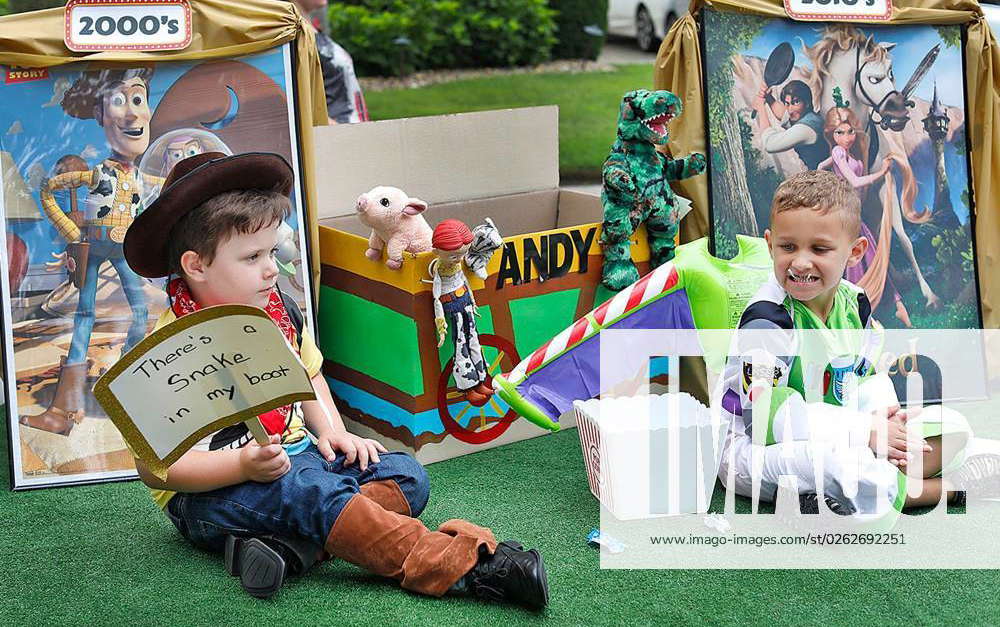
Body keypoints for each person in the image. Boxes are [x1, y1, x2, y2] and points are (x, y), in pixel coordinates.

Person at [121, 151, 548, 607]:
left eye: (271, 251)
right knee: (313, 492)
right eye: (252, 257)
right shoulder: (168, 352)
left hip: (298, 457)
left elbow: (310, 377)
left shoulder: (277, 310)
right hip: (211, 495)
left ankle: (294, 549)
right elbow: (155, 469)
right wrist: (241, 466)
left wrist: (335, 432)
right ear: (196, 265)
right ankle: (460, 566)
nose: (270, 268)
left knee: (406, 474)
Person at [716, 170, 996, 523]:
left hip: (839, 425)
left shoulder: (855, 303)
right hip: (758, 447)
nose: (800, 262)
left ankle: (852, 493)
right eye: (788, 247)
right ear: (770, 244)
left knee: (953, 427)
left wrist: (884, 418)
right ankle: (945, 488)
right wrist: (865, 432)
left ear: (855, 251)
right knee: (835, 464)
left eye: (819, 248)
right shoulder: (768, 320)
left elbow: (864, 380)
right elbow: (769, 418)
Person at [23, 68, 155, 435]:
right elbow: (49, 190)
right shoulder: (97, 174)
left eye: (138, 98)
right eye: (118, 100)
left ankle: (126, 386)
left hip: (123, 249)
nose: (131, 112)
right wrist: (70, 231)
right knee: (85, 313)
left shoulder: (136, 178)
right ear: (100, 117)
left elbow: (142, 210)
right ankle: (63, 411)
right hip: (96, 248)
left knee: (141, 310)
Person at [817, 101, 911, 328]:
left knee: (870, 256)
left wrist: (828, 178)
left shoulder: (841, 152)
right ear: (832, 134)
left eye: (850, 131)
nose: (847, 137)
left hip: (852, 211)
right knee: (857, 261)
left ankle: (893, 304)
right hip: (844, 213)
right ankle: (867, 309)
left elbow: (821, 166)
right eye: (840, 132)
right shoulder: (839, 151)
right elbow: (855, 180)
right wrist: (881, 172)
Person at [291, 0, 369, 124]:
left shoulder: (311, 32)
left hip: (351, 132)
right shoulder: (293, 37)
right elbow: (294, 104)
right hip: (337, 137)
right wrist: (337, 132)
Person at [754, 80, 827, 170]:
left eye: (795, 102)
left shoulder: (805, 129)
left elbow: (769, 144)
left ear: (807, 103)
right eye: (787, 104)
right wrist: (768, 97)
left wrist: (760, 107)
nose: (790, 110)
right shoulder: (811, 118)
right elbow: (784, 115)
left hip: (824, 179)